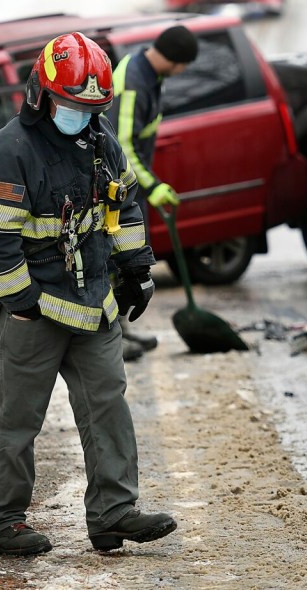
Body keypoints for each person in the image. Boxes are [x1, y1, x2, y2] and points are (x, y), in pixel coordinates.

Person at [0, 32, 177, 556]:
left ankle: (114, 513)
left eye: (90, 107)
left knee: (107, 404)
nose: (80, 115)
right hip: (31, 312)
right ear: (42, 93)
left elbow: (125, 207)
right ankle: (2, 521)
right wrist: (22, 305)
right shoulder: (9, 153)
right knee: (16, 420)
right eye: (71, 105)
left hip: (94, 303)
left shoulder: (101, 140)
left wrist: (136, 269)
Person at [106, 25, 199, 360]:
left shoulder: (147, 75)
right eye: (185, 65)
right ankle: (112, 339)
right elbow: (122, 146)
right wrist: (152, 185)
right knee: (115, 260)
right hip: (116, 189)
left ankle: (122, 331)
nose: (183, 72)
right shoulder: (134, 83)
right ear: (176, 60)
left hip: (128, 188)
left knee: (126, 260)